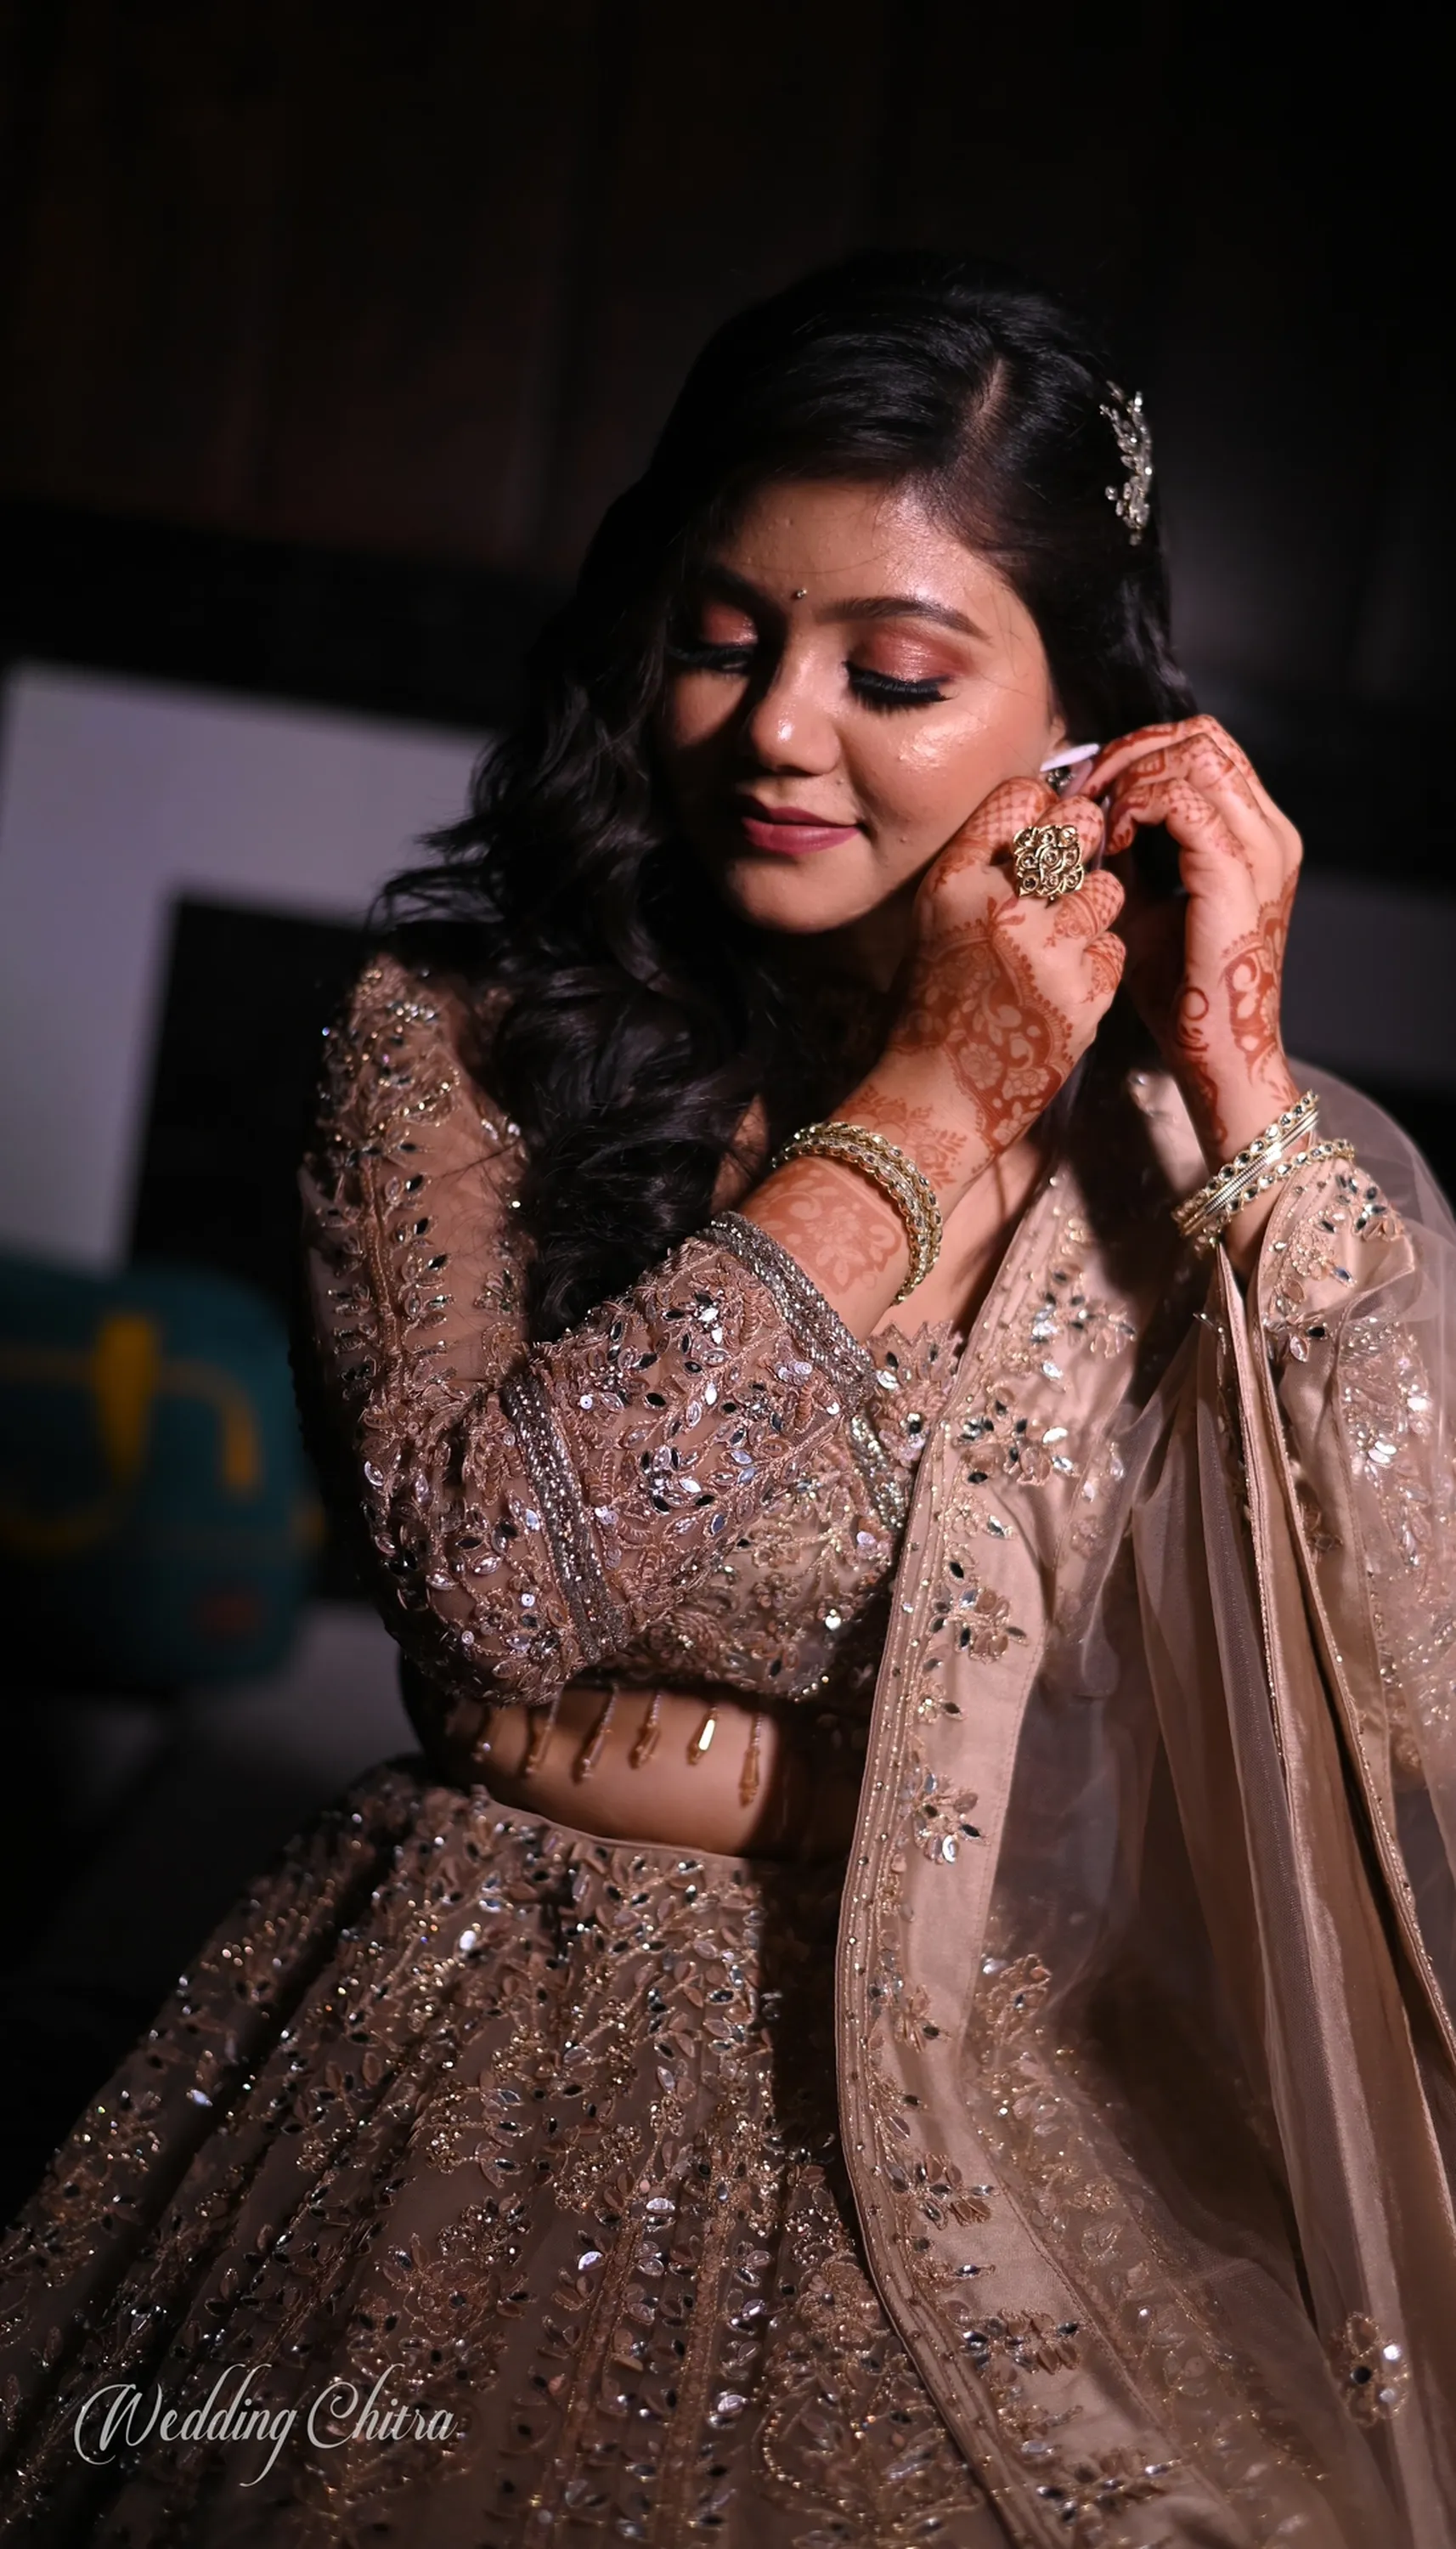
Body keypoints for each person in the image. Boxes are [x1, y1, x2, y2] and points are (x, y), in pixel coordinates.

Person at [2, 254, 1453, 2549]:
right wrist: (933, 1108)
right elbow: (489, 1580)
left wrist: (1243, 1085)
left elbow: (1411, 1690)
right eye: (722, 635)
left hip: (959, 2094)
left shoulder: (1185, 1149)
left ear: (1085, 727)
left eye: (894, 673)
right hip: (482, 2030)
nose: (778, 728)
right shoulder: (461, 1037)